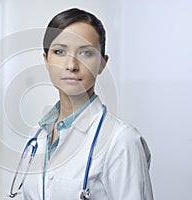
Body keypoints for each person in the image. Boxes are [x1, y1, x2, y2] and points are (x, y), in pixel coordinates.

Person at [10, 8, 154, 200]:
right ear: (46, 60)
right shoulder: (38, 134)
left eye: (86, 53)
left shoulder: (122, 140)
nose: (71, 65)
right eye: (60, 51)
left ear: (103, 63)